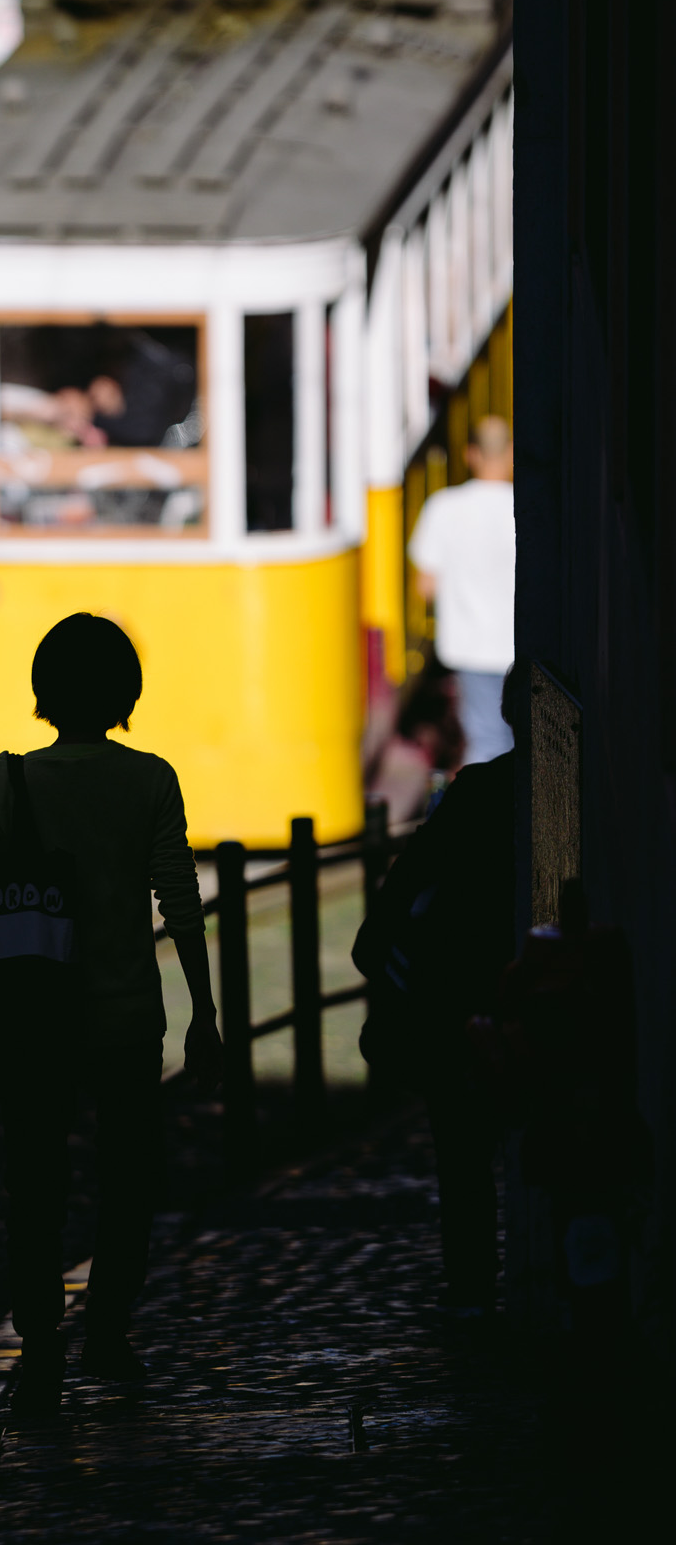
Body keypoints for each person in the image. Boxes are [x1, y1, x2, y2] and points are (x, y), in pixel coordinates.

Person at [0, 613, 222, 1396]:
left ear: (43, 692)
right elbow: (181, 902)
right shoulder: (150, 779)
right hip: (127, 1019)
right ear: (125, 692)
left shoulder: (6, 781)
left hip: (31, 1016)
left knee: (34, 1178)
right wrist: (204, 1011)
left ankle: (37, 1338)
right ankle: (106, 1330)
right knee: (128, 1180)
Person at [353, 666, 518, 1317]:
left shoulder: (477, 790)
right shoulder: (579, 785)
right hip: (521, 977)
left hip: (460, 989)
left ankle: (471, 1289)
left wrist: (378, 940)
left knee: (461, 1149)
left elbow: (412, 872)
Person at [408, 415, 515, 764]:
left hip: (471, 649)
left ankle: (491, 816)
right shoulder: (529, 509)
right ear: (512, 453)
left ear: (471, 454)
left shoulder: (444, 508)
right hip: (522, 646)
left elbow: (425, 586)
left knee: (486, 741)